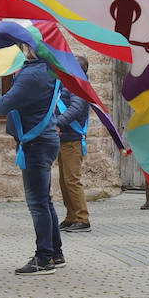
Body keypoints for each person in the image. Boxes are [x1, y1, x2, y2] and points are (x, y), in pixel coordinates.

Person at [0, 48, 64, 275]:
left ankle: (44, 258)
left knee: (38, 203)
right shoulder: (48, 68)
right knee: (44, 201)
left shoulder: (33, 73)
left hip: (35, 142)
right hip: (43, 139)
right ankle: (56, 253)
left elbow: (8, 101)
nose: (20, 48)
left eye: (23, 44)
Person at [56, 56, 92, 232]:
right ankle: (71, 217)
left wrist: (57, 123)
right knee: (64, 181)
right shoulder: (69, 84)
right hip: (64, 138)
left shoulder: (77, 85)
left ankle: (82, 218)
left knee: (72, 180)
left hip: (72, 139)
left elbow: (75, 110)